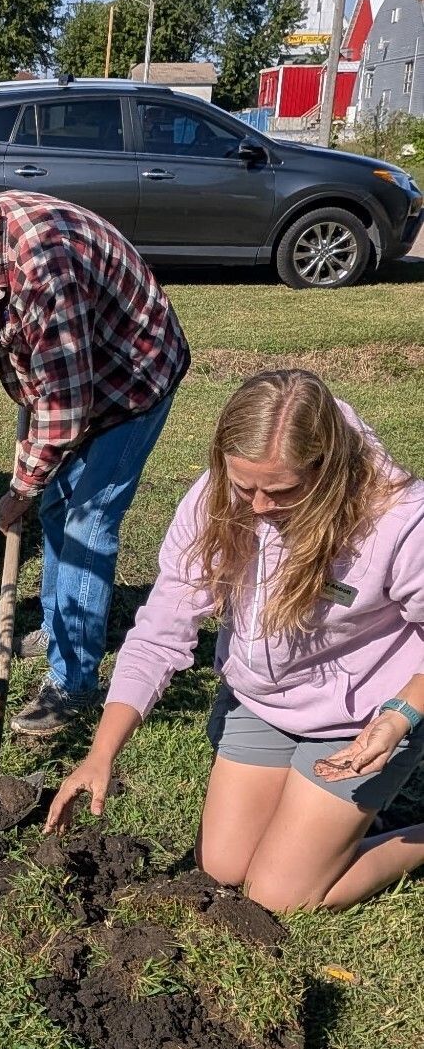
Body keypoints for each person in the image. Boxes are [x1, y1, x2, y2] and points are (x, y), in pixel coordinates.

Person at [47, 370, 424, 913]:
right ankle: (324, 820)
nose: (259, 508)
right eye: (245, 487)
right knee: (222, 867)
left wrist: (399, 716)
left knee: (278, 896)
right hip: (264, 702)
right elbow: (161, 631)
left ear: (330, 470)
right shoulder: (216, 499)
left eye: (283, 491)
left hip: (362, 720)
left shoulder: (398, 519)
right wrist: (101, 753)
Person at [0, 173, 190, 737]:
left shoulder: (43, 269)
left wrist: (19, 486)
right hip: (82, 371)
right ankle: (59, 625)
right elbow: (39, 364)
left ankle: (72, 683)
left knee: (88, 520)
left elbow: (67, 403)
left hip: (134, 378)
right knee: (58, 504)